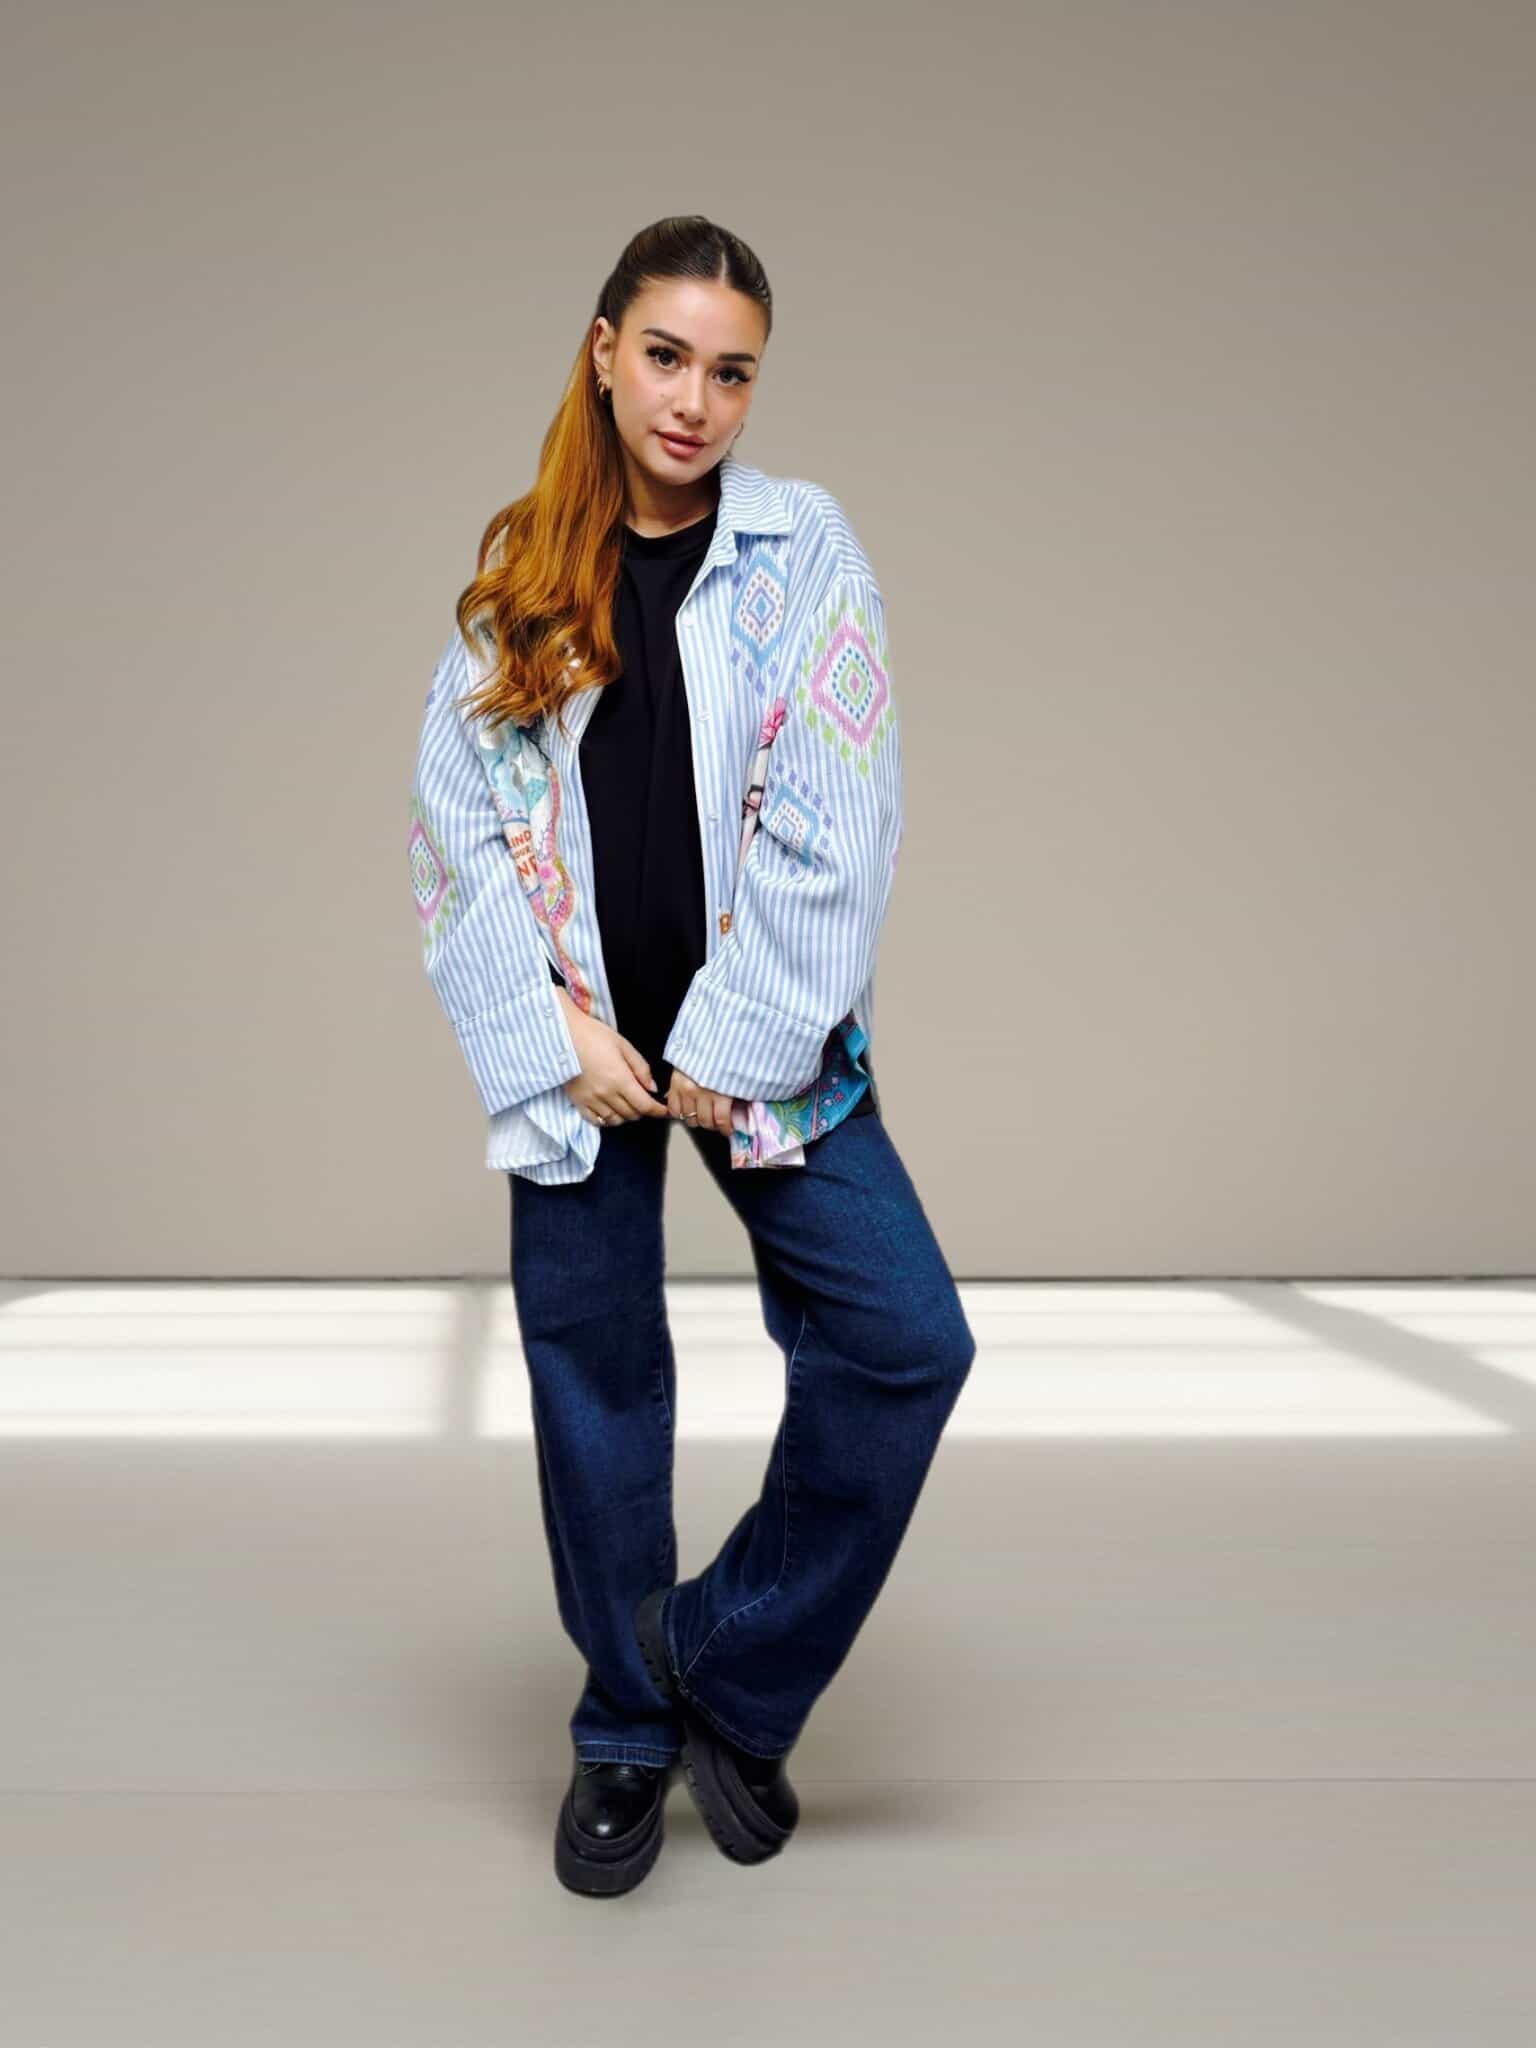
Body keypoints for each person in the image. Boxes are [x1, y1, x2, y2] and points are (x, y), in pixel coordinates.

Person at [409, 216, 976, 1898]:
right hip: (582, 1048)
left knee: (903, 1341)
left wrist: (733, 1041)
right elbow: (456, 838)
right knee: (594, 1380)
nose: (695, 401)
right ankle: (622, 1735)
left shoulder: (806, 551)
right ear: (604, 354)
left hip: (762, 1043)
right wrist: (555, 1035)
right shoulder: (520, 577)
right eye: (667, 357)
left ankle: (715, 1662)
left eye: (732, 373)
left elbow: (843, 813)